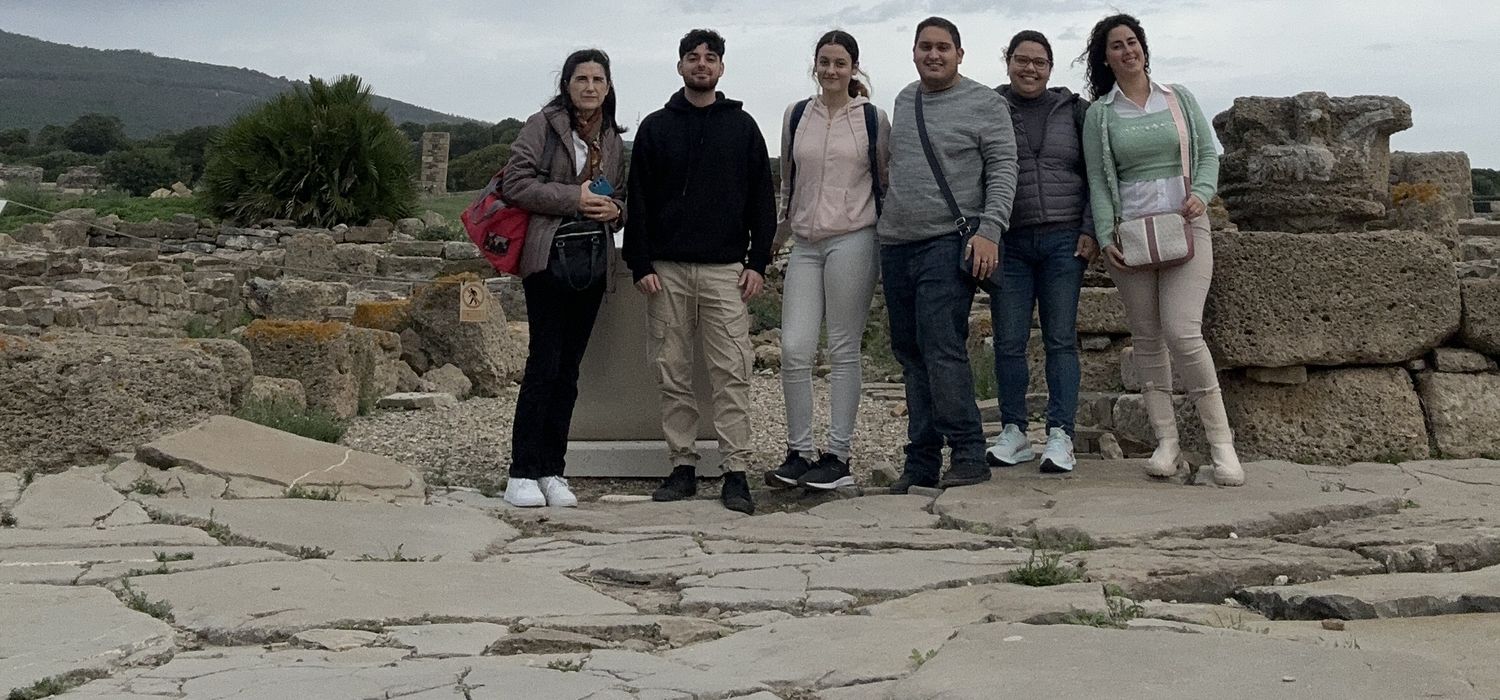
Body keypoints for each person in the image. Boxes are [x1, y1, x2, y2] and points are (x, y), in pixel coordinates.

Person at [1079, 13, 1244, 486]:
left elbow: (1209, 154)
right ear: (1105, 57)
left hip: (1187, 227)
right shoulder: (1101, 114)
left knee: (1183, 333)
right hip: (1131, 236)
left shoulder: (1179, 98)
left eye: (1133, 42)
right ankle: (1166, 442)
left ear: (1144, 48)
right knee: (1147, 339)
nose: (1127, 51)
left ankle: (1222, 447)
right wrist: (1106, 233)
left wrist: (1203, 193)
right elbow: (1097, 177)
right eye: (1116, 46)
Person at [625, 28, 777, 513]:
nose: (702, 65)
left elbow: (762, 201)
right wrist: (640, 261)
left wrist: (757, 263)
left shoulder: (744, 127)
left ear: (721, 68)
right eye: (693, 58)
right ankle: (683, 466)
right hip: (666, 270)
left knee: (732, 370)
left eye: (710, 58)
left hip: (725, 271)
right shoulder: (655, 127)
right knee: (673, 371)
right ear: (680, 66)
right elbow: (640, 200)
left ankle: (736, 471)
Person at [878, 17, 1018, 493]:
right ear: (913, 53)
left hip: (948, 241)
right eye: (925, 47)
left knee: (940, 347)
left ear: (960, 53)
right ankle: (919, 462)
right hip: (896, 242)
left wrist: (990, 230)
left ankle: (968, 454)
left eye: (943, 48)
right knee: (909, 352)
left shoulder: (986, 103)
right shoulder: (903, 99)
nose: (933, 55)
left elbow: (1003, 168)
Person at [501, 49, 628, 507]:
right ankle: (521, 471)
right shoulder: (543, 125)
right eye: (581, 78)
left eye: (598, 79)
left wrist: (616, 210)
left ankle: (553, 469)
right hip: (548, 259)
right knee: (544, 364)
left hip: (591, 264)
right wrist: (573, 198)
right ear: (567, 84)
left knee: (570, 371)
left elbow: (620, 198)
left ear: (608, 86)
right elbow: (515, 183)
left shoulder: (612, 137)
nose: (590, 86)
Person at [766, 30, 890, 491]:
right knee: (794, 349)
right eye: (824, 62)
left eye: (840, 63)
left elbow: (884, 178)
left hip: (855, 237)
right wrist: (779, 233)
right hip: (805, 241)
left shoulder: (873, 119)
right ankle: (799, 451)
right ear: (814, 65)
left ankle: (838, 455)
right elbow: (789, 180)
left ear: (854, 68)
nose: (832, 70)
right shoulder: (797, 115)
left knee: (842, 348)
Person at [986, 30, 1097, 474]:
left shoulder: (1074, 111)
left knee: (1060, 340)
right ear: (1007, 61)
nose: (1029, 68)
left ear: (1051, 68)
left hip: (1063, 240)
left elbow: (1096, 174)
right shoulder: (990, 107)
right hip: (1009, 241)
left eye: (1039, 61)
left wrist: (1090, 228)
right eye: (1021, 59)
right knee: (1009, 342)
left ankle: (1060, 435)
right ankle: (1013, 432)